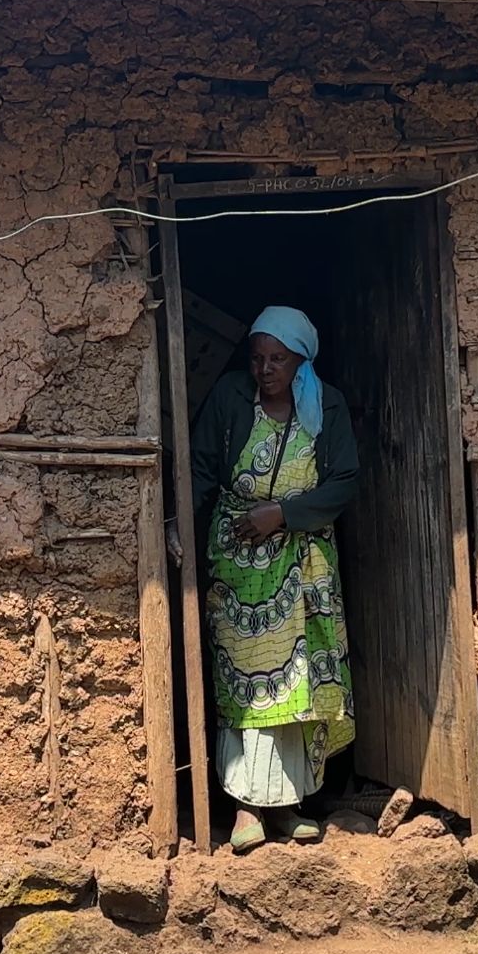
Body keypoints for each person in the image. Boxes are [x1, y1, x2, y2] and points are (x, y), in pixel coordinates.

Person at [171, 306, 359, 852]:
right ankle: (245, 810)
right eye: (258, 358)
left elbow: (344, 481)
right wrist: (180, 523)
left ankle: (288, 806)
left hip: (305, 561)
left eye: (278, 359)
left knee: (299, 681)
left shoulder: (327, 405)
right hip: (238, 561)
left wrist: (282, 514)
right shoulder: (231, 398)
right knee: (247, 683)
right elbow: (201, 468)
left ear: (302, 361)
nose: (266, 369)